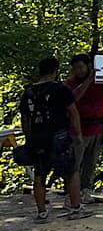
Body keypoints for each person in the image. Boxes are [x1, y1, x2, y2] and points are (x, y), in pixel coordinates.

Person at [20, 56, 82, 221]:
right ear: (56, 70)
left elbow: (25, 119)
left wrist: (28, 137)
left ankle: (41, 212)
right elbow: (73, 112)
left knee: (40, 174)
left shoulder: (28, 93)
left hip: (37, 138)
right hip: (59, 136)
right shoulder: (60, 89)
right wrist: (78, 134)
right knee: (71, 171)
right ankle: (76, 208)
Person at [65, 52, 103, 194]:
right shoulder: (71, 83)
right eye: (75, 68)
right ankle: (72, 192)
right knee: (75, 163)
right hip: (79, 129)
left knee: (91, 163)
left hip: (99, 128)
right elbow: (73, 98)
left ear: (89, 66)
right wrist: (88, 80)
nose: (78, 71)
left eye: (81, 67)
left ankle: (86, 189)